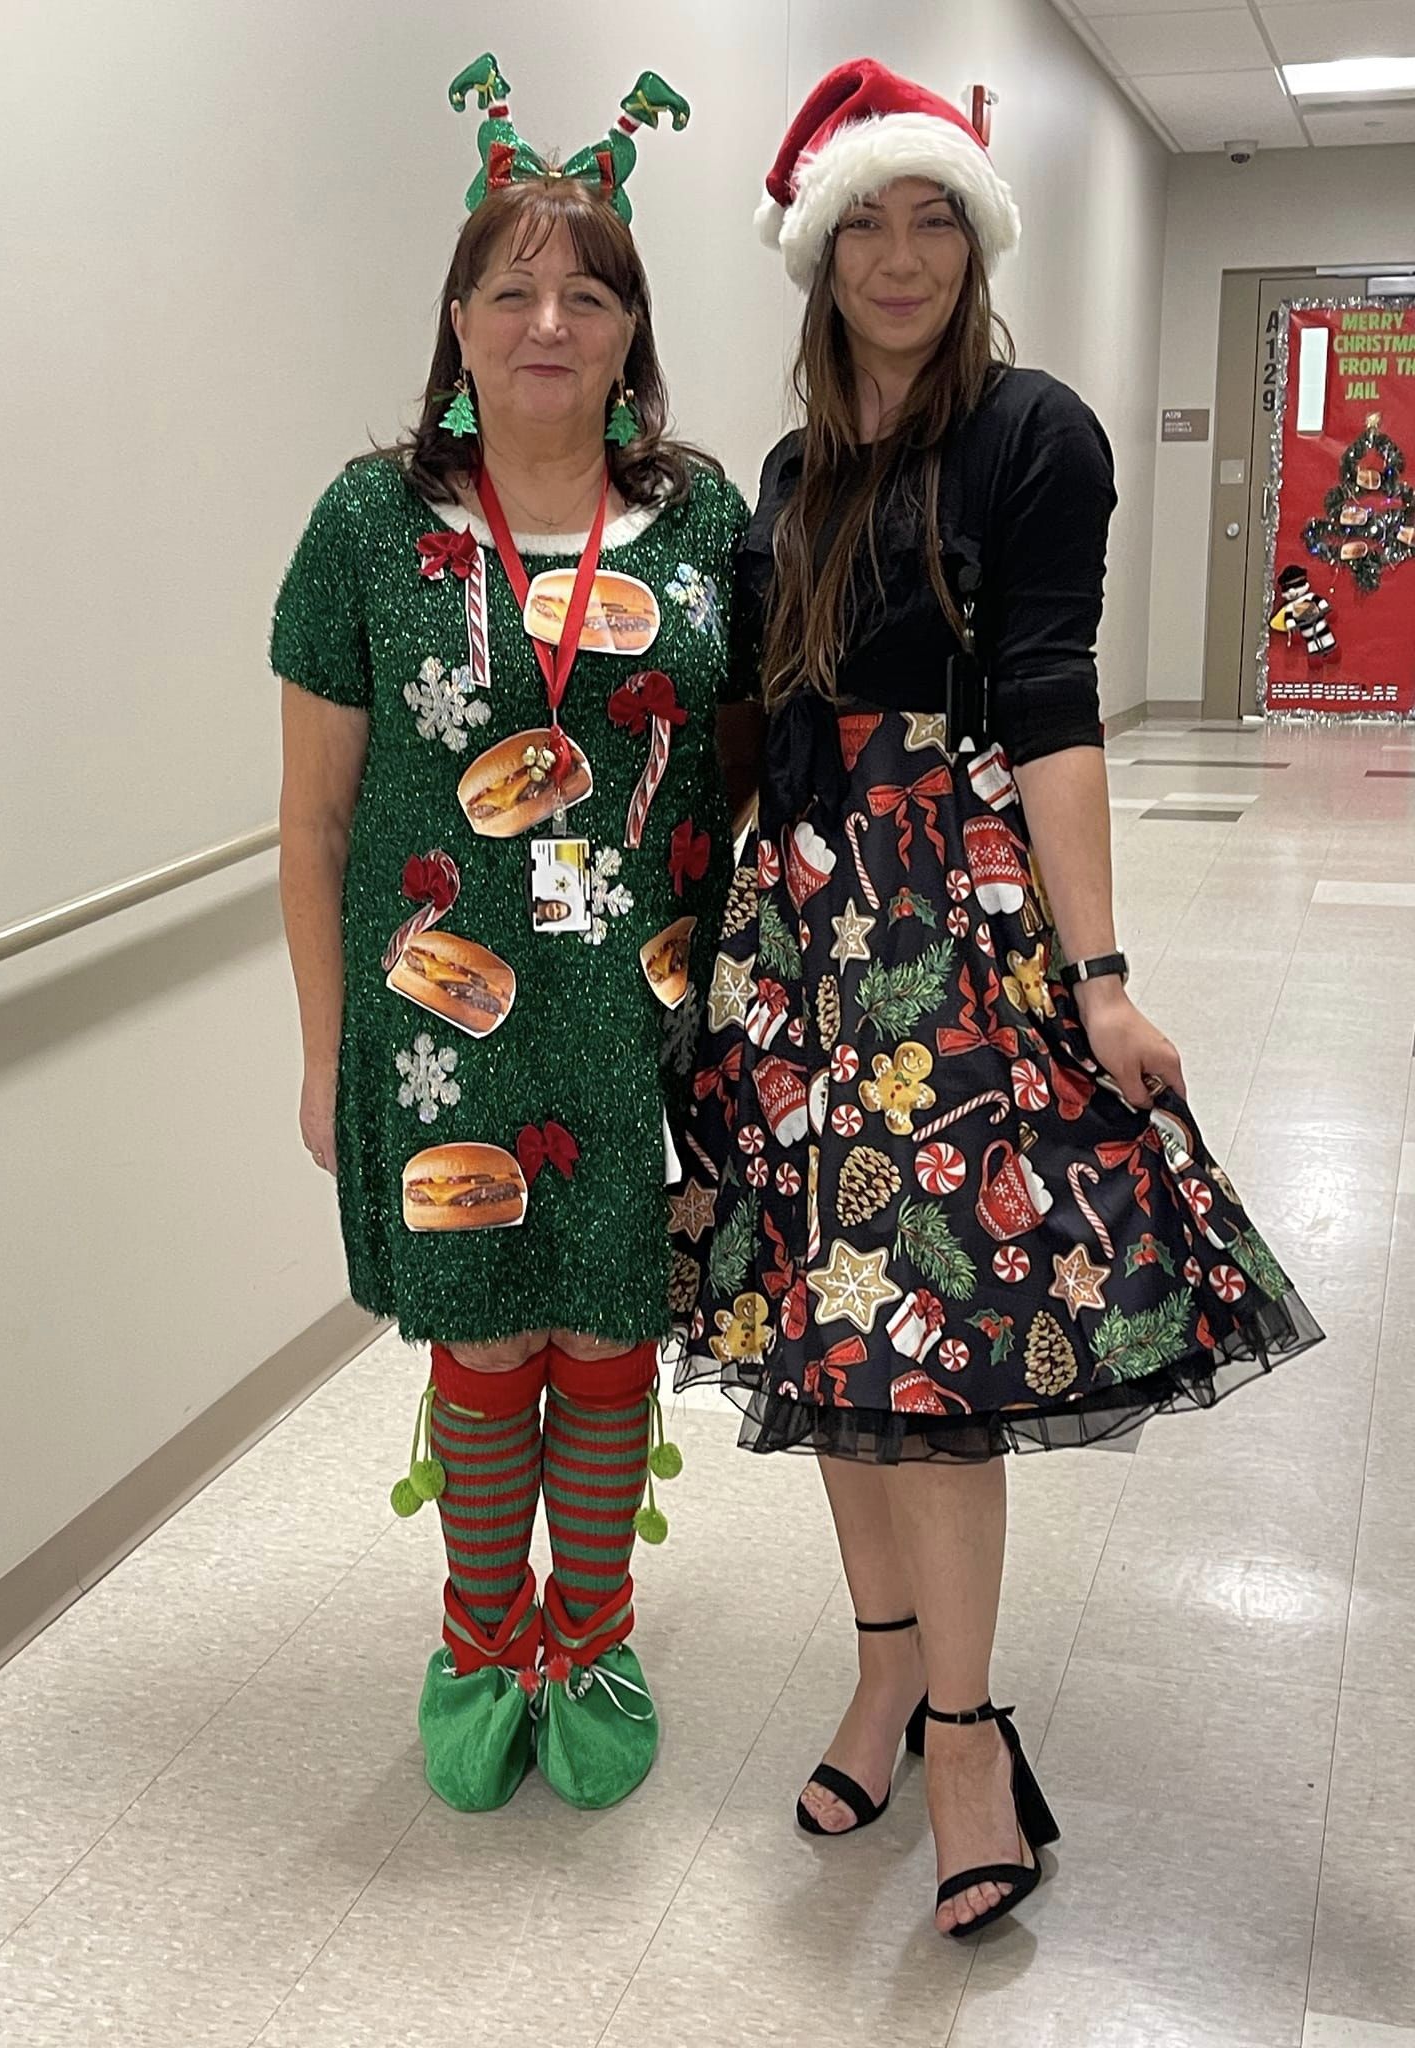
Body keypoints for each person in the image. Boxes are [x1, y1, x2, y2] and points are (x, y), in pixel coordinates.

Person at [669, 58, 1322, 1936]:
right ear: (817, 256)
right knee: (830, 1338)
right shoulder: (792, 470)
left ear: (974, 238)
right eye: (861, 222)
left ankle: (967, 1731)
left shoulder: (1036, 434)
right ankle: (884, 1671)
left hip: (944, 939)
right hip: (795, 947)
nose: (896, 254)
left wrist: (1098, 975)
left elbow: (1047, 697)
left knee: (934, 1353)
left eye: (929, 214)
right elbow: (753, 727)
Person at [272, 53, 748, 1815]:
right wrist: (323, 1051)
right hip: (433, 1018)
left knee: (609, 1327)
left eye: (589, 290)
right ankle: (484, 1634)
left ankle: (597, 1626)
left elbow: (751, 762)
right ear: (458, 323)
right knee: (482, 1335)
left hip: (638, 1015)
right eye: (511, 288)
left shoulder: (701, 519)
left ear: (631, 330)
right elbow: (316, 819)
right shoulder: (366, 523)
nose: (549, 319)